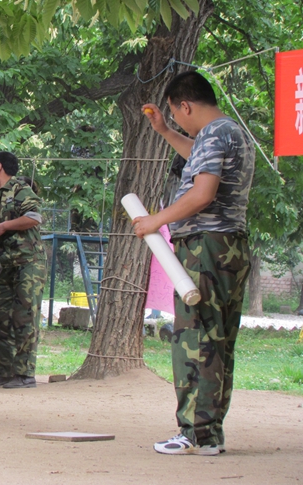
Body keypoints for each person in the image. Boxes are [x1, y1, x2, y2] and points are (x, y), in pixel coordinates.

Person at [136, 71, 254, 455]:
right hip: (228, 248)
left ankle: (195, 432)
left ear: (185, 105)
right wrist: (165, 131)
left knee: (196, 339)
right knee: (217, 339)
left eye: (175, 113)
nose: (176, 119)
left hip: (205, 249)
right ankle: (210, 431)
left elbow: (202, 193)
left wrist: (156, 220)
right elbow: (198, 157)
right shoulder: (230, 133)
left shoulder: (214, 135)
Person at [0, 151, 46, 389]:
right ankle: (6, 371)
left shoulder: (20, 189)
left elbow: (34, 217)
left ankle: (25, 374)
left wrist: (3, 227)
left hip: (29, 263)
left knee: (25, 316)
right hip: (7, 265)